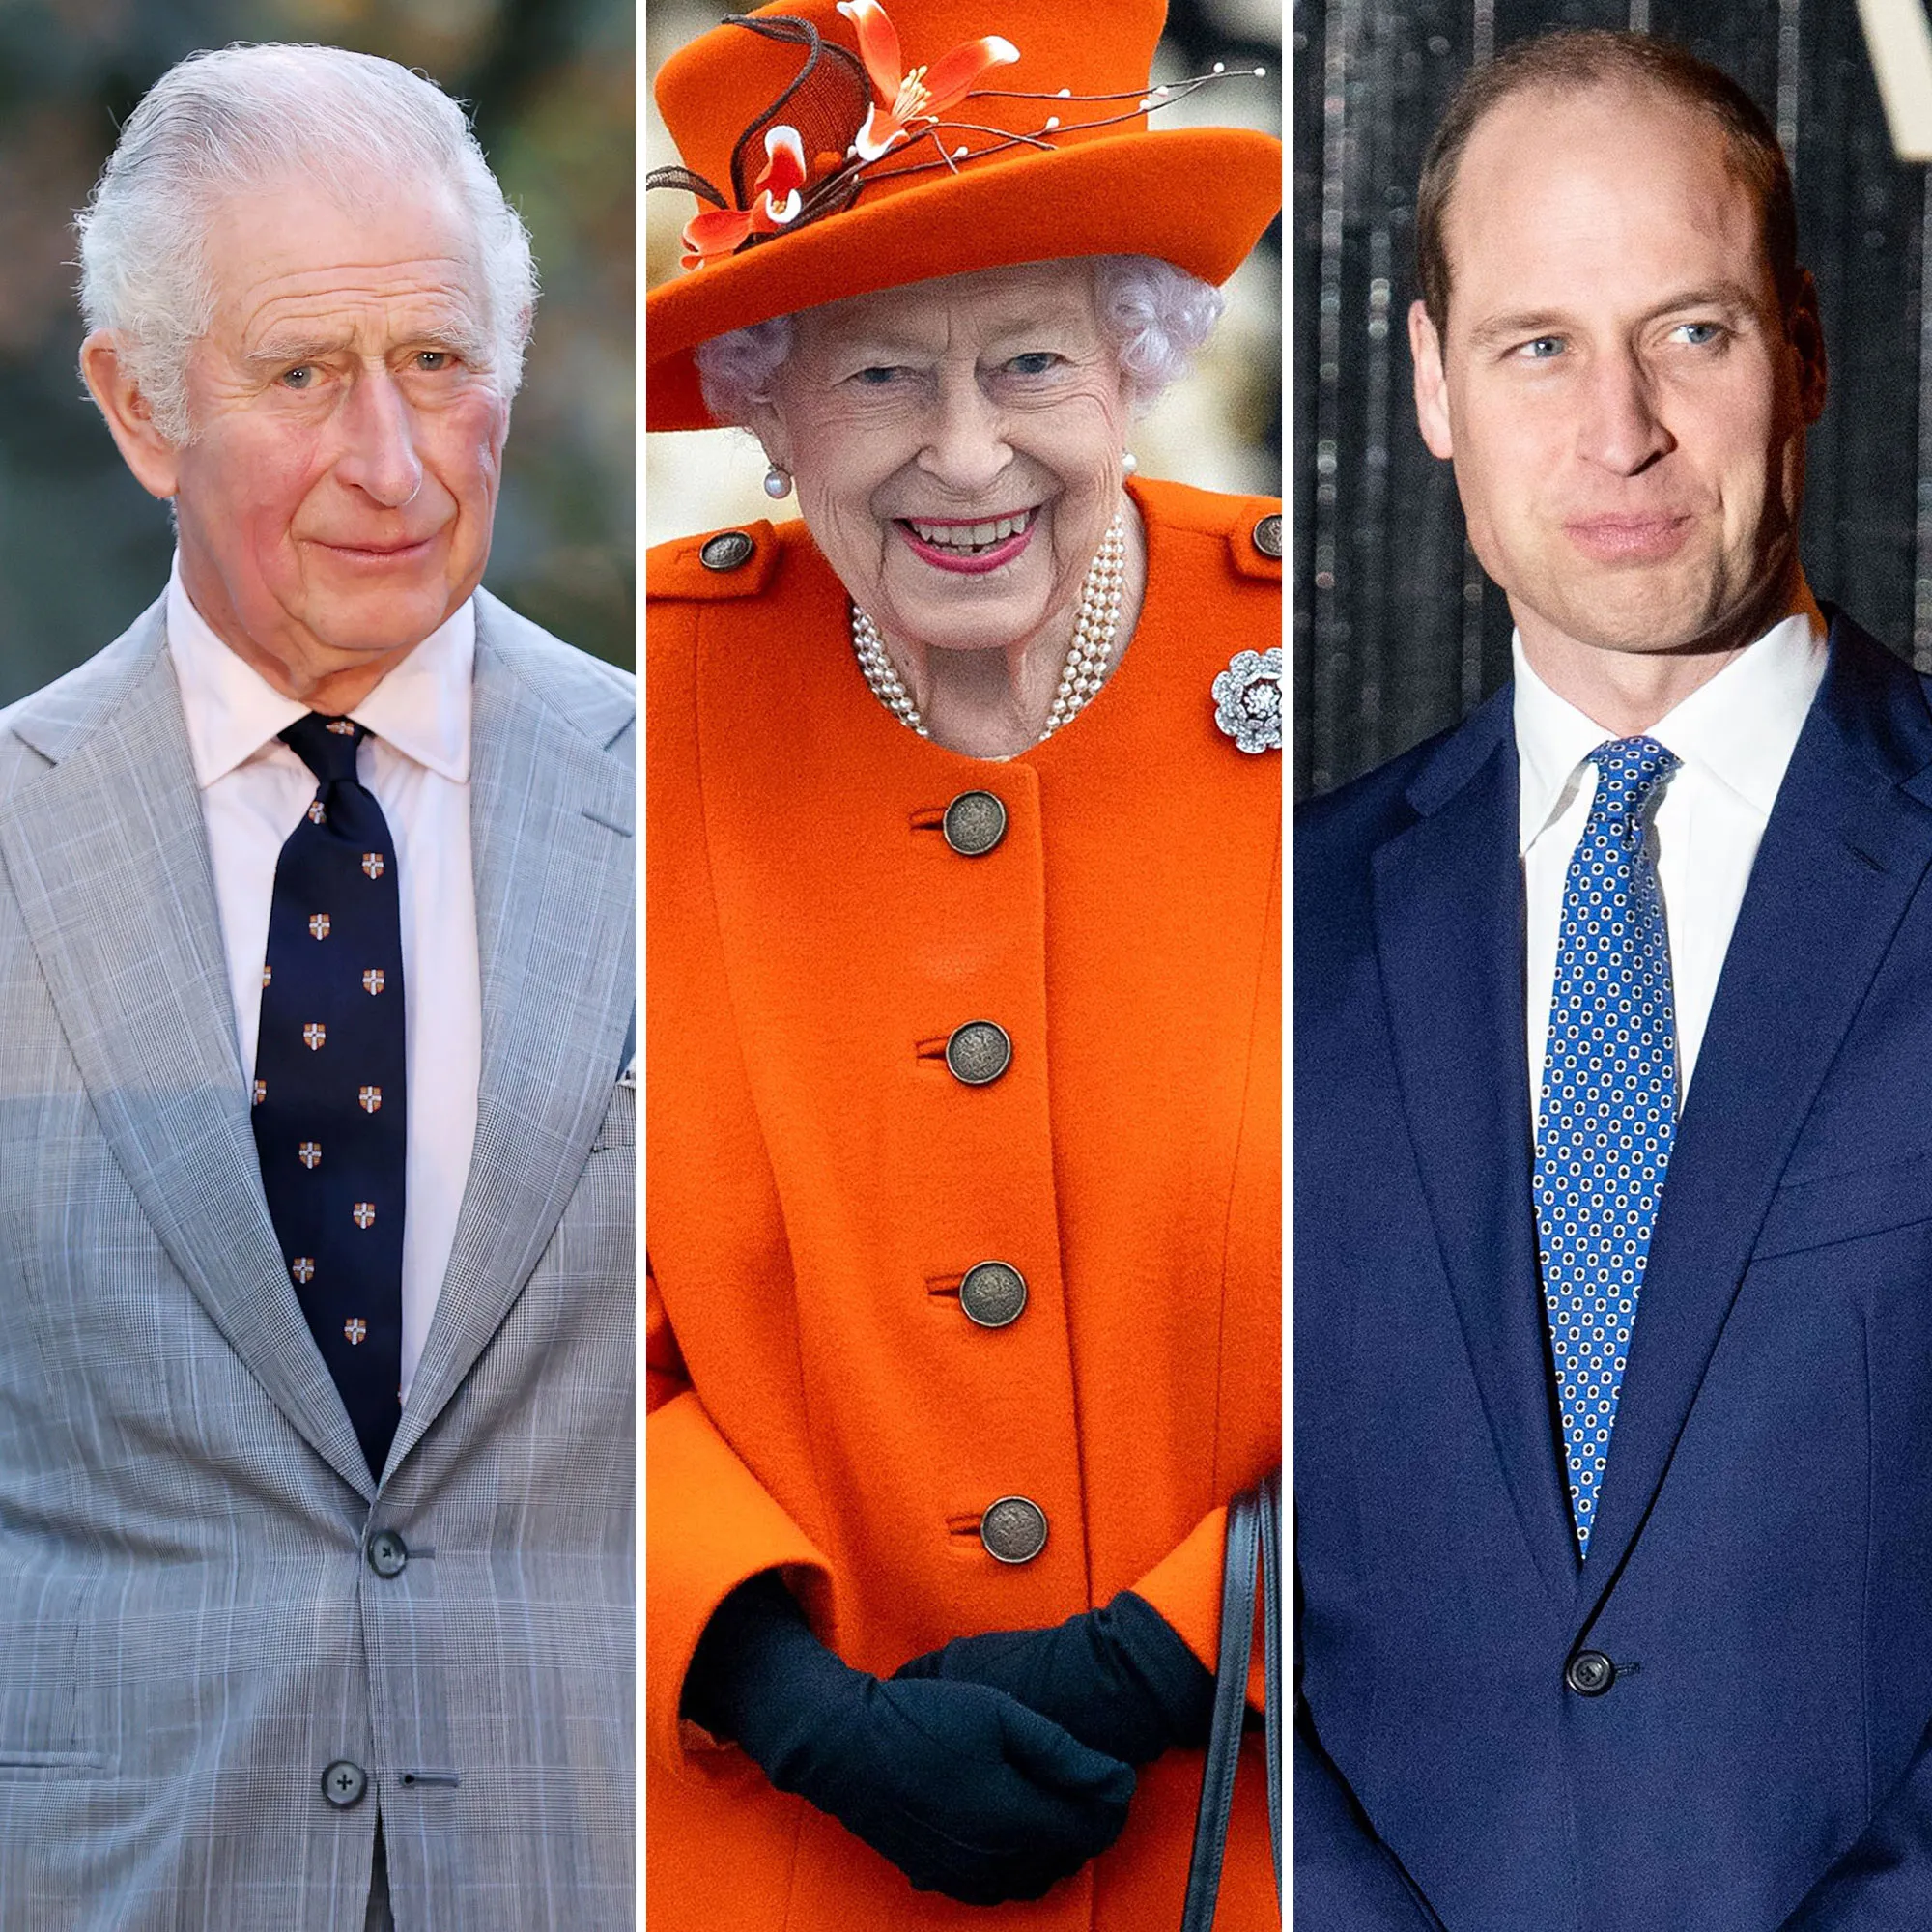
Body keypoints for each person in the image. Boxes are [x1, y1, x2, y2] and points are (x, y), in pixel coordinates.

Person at [643, 0, 1281, 1923]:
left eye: (1029, 359)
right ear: (766, 406)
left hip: (1255, 1819)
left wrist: (1174, 1648)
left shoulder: (1344, 673)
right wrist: (774, 1687)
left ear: (1136, 362)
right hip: (771, 1837)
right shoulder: (626, 712)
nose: (967, 451)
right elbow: (509, 1316)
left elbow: (1498, 1304)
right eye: (877, 376)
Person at [1297, 26, 1932, 1930]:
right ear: (1430, 383)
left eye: (1692, 332)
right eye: (1538, 346)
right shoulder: (1278, 925)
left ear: (1801, 348)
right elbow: (1207, 1563)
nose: (1621, 429)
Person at [0, 46, 633, 1932]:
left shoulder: (701, 803)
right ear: (140, 408)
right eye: (300, 376)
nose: (392, 460)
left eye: (436, 361)